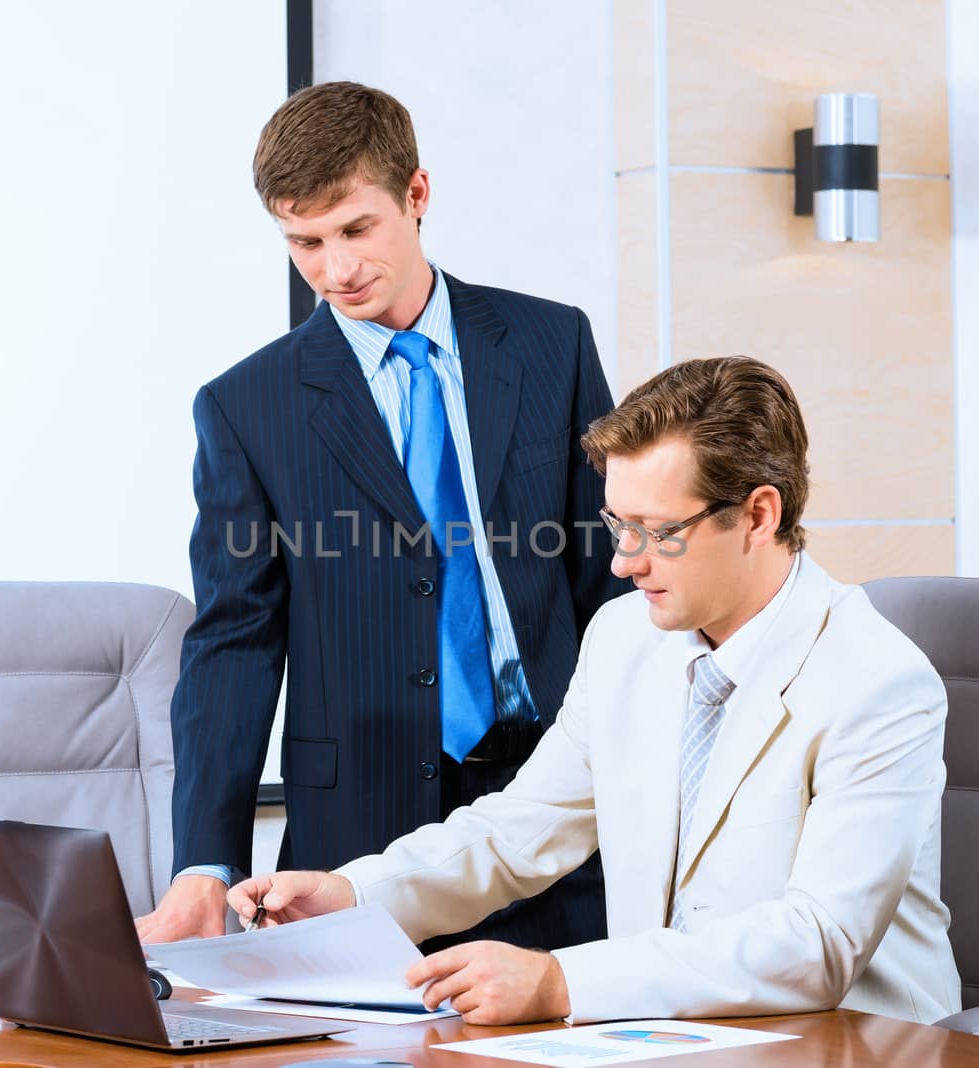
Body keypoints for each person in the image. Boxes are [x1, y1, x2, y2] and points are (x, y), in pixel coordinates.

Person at [225, 356, 964, 1026]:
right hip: (669, 1039)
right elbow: (521, 830)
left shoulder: (875, 682)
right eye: (617, 525)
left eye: (655, 531)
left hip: (850, 1042)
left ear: (759, 515)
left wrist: (559, 985)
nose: (621, 563)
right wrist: (354, 898)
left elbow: (817, 943)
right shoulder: (624, 640)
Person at [133, 81, 624, 950]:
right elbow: (234, 641)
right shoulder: (249, 406)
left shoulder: (553, 343)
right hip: (352, 837)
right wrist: (203, 867)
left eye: (356, 230)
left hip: (552, 806)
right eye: (305, 243)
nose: (336, 269)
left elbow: (609, 584)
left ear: (417, 196)